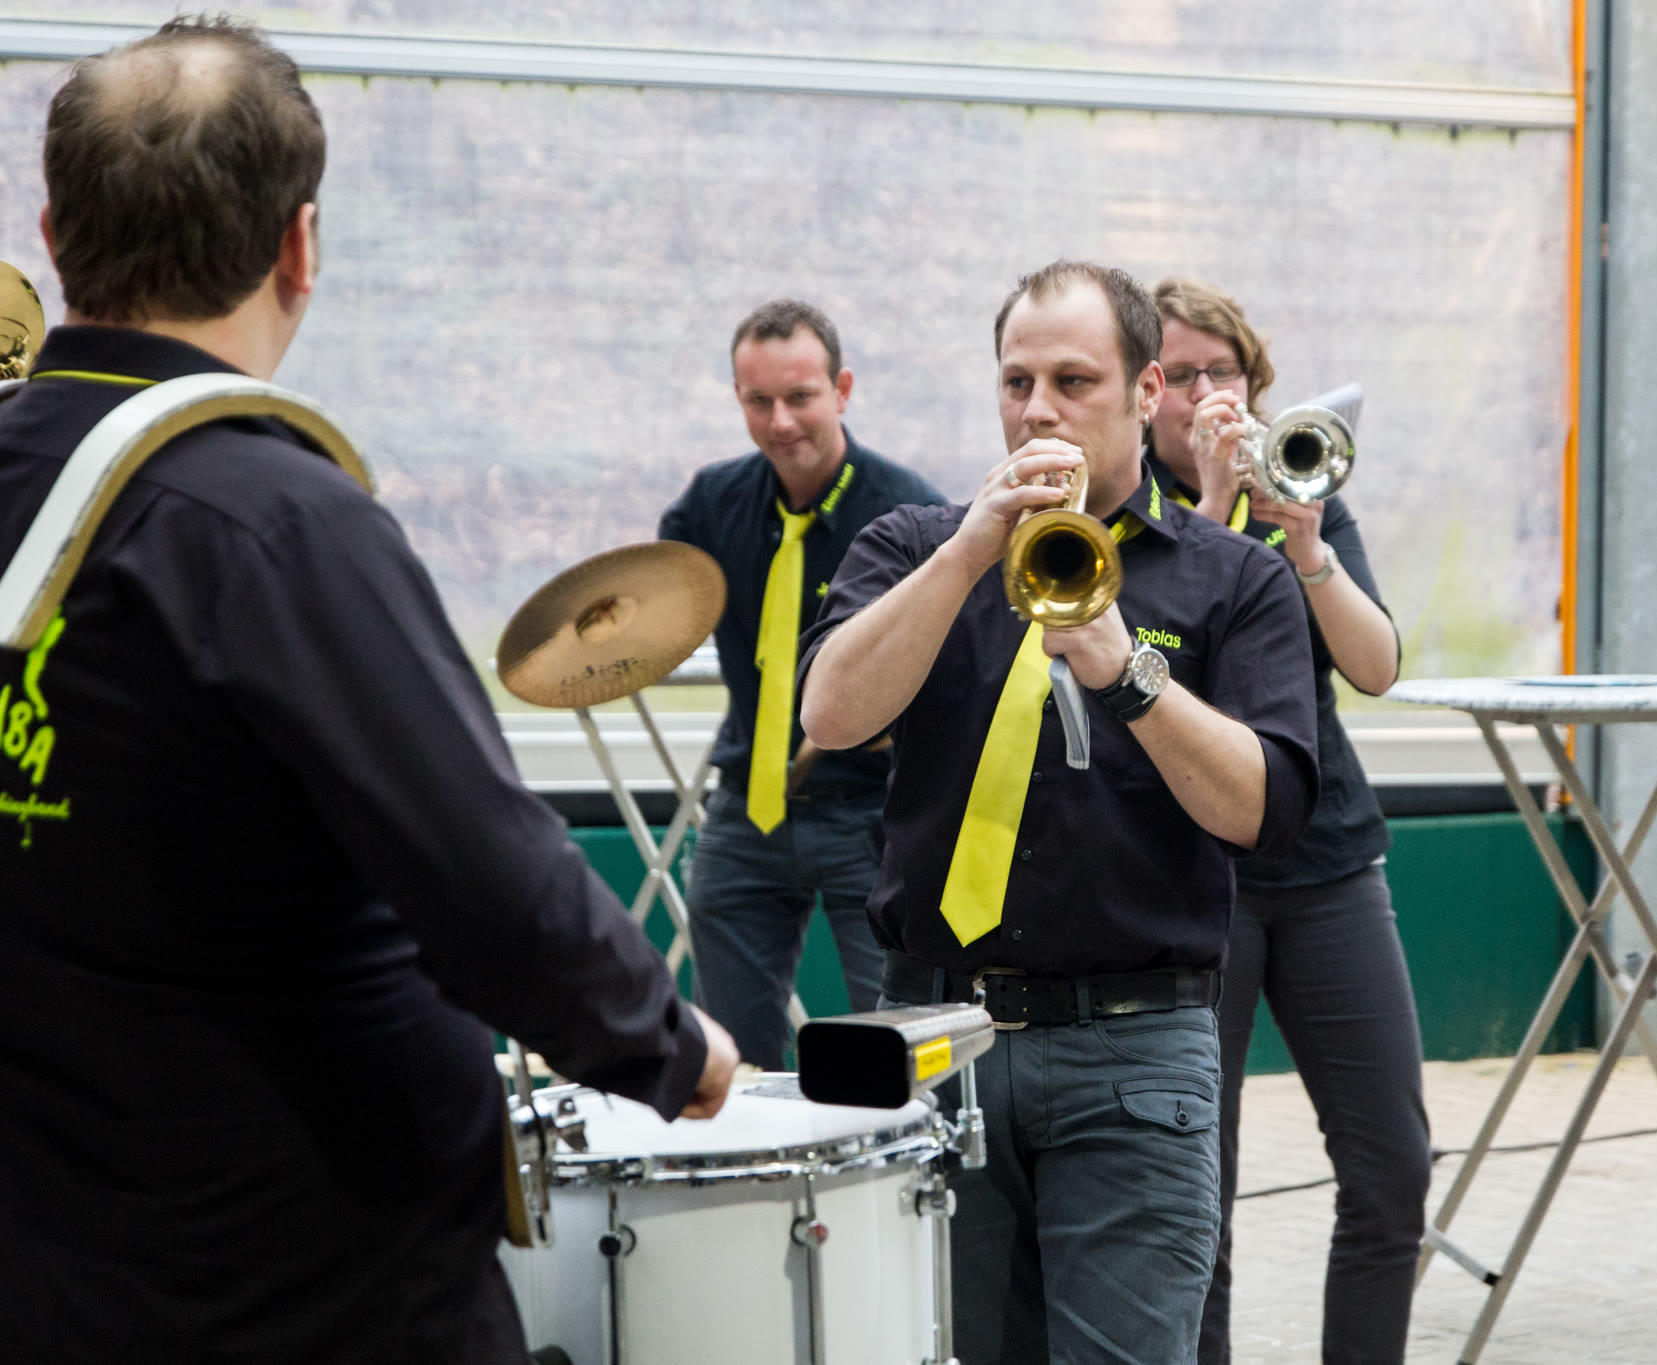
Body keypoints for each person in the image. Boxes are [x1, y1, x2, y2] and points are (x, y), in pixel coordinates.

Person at [0, 19, 737, 1362]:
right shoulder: (273, 521)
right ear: (300, 246)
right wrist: (668, 1044)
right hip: (306, 1279)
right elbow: (485, 876)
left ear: (53, 235)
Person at [797, 259, 1320, 1364]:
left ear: (1146, 391)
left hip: (1134, 1049)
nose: (1038, 410)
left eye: (1074, 381)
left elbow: (1264, 810)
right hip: (934, 1034)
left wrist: (1130, 673)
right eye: (1016, 382)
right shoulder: (913, 546)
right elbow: (831, 714)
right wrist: (966, 554)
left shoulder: (1234, 578)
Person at [1145, 277, 1430, 1365]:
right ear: (1143, 390)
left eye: (1221, 372)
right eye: (1179, 374)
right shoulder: (1123, 508)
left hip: (1326, 865)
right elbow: (1152, 668)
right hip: (1190, 879)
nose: (1203, 395)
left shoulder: (1298, 480)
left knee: (1391, 1170)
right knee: (1192, 1191)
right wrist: (1212, 513)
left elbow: (1376, 666)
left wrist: (1306, 545)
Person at [657, 300, 944, 1067]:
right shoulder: (709, 504)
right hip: (747, 806)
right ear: (738, 398)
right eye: (759, 400)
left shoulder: (910, 512)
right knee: (732, 1059)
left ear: (842, 390)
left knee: (898, 1049)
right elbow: (655, 604)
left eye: (800, 397)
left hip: (873, 811)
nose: (780, 421)